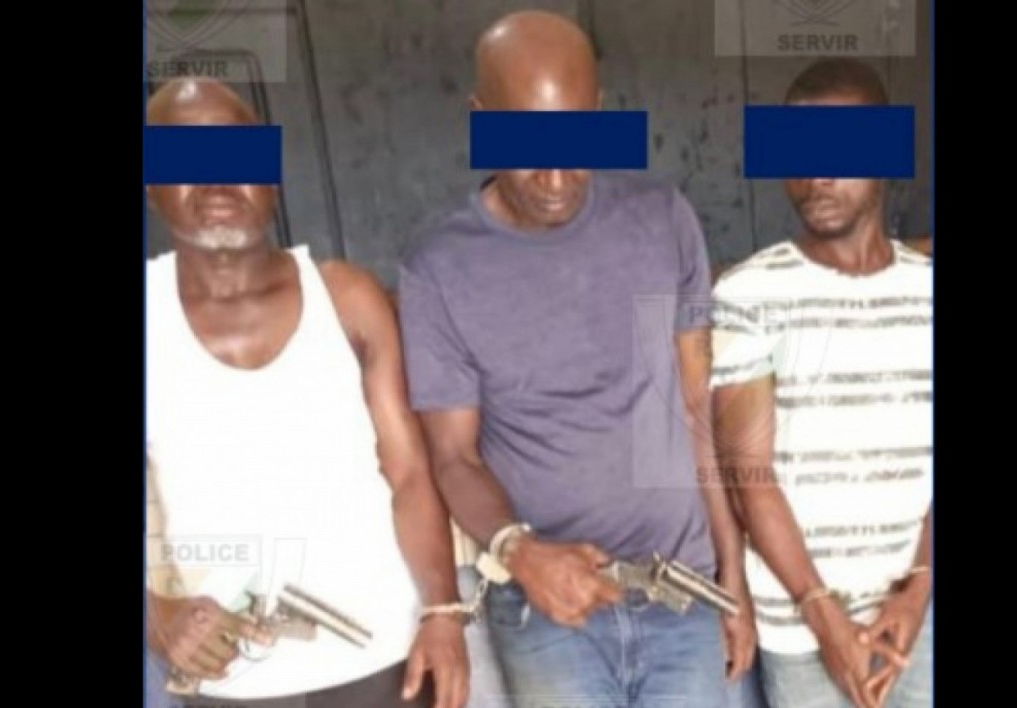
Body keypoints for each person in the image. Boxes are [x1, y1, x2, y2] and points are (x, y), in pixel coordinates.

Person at [397, 10, 758, 707]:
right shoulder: (440, 267)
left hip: (682, 594)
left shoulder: (660, 220)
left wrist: (731, 576)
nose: (558, 175)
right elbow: (453, 457)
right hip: (546, 614)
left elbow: (694, 409)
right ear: (481, 120)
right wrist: (519, 551)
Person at [144, 77, 469, 708]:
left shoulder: (346, 299)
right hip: (232, 681)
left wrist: (442, 611)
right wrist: (155, 615)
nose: (216, 181)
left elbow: (409, 474)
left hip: (385, 660)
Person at [709, 57, 933, 708]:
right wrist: (822, 615)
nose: (816, 176)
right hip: (800, 628)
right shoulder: (749, 295)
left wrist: (919, 587)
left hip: (916, 619)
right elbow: (749, 476)